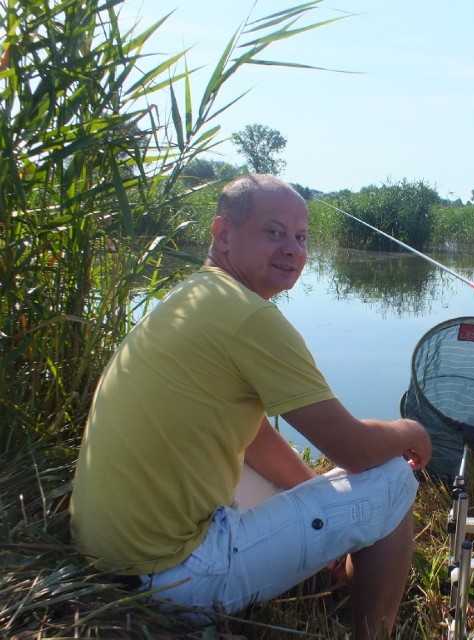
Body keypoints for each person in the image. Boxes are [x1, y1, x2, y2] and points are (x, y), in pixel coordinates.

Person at [70, 174, 432, 639]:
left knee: (265, 462)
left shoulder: (196, 295)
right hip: (175, 577)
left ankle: (331, 567)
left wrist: (325, 514)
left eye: (301, 237)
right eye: (274, 232)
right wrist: (411, 432)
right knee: (392, 478)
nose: (293, 250)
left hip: (109, 556)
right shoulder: (251, 317)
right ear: (223, 234)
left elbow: (254, 435)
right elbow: (357, 452)